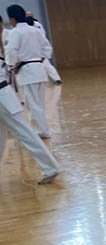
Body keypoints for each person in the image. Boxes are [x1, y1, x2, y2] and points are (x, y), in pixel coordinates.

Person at [0, 43, 61, 183]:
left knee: (26, 134)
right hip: (5, 96)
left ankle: (51, 167)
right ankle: (51, 167)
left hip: (3, 98)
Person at [5, 4, 52, 139]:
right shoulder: (35, 30)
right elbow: (47, 48)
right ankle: (40, 129)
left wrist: (11, 65)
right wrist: (40, 59)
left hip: (27, 71)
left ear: (12, 18)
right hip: (39, 68)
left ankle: (41, 131)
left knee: (32, 104)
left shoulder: (15, 32)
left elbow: (11, 50)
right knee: (39, 103)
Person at [22, 14, 62, 84]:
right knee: (45, 65)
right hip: (33, 49)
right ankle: (54, 79)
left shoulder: (37, 25)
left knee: (46, 64)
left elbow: (43, 36)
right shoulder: (26, 28)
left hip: (40, 47)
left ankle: (56, 79)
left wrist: (44, 55)